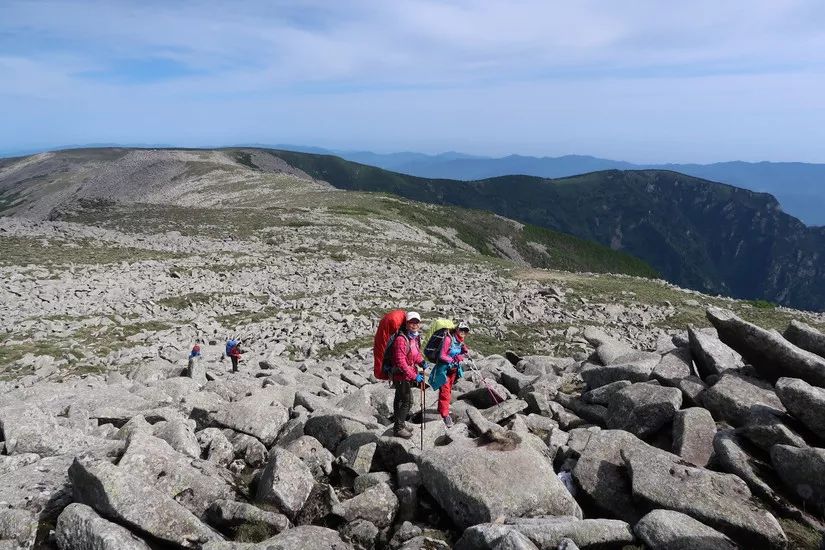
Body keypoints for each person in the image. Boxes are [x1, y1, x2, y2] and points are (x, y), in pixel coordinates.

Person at [390, 311, 426, 439]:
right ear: (406, 324)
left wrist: (421, 361)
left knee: (401, 400)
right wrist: (413, 376)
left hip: (405, 375)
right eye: (411, 322)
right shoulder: (401, 339)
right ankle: (398, 428)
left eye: (417, 322)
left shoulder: (413, 337)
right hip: (401, 376)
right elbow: (400, 361)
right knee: (407, 401)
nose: (414, 325)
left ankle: (400, 423)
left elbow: (414, 354)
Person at [428, 321, 470, 427]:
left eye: (465, 331)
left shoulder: (460, 341)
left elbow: (458, 352)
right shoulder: (448, 339)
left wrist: (463, 351)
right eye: (461, 330)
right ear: (457, 329)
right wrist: (454, 358)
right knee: (445, 392)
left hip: (453, 370)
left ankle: (441, 408)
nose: (463, 332)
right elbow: (442, 355)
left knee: (448, 390)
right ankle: (445, 415)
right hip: (443, 370)